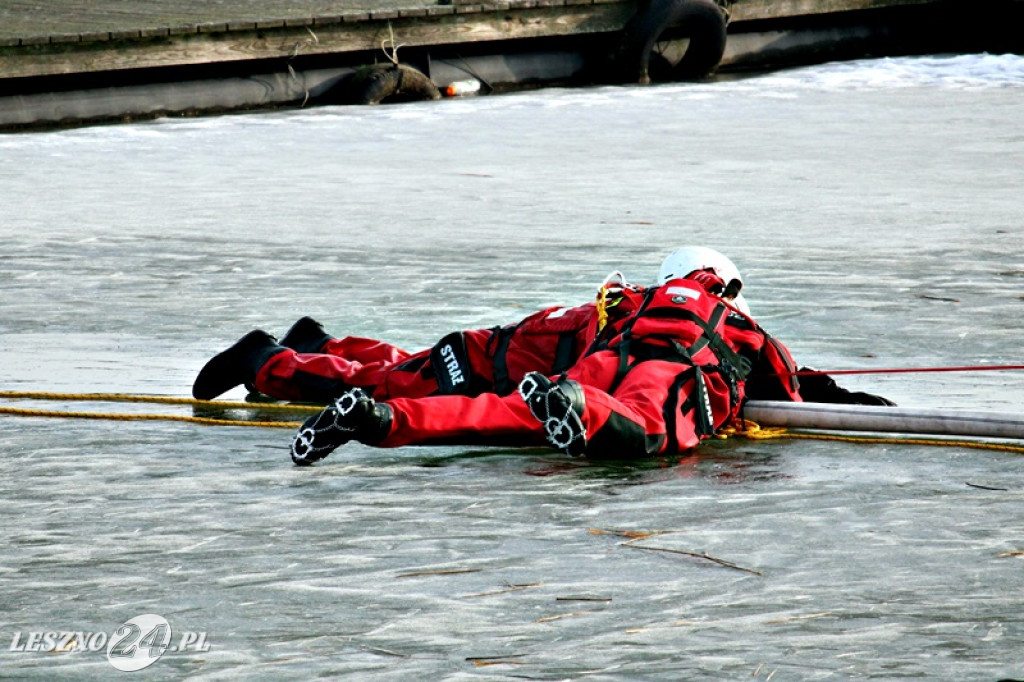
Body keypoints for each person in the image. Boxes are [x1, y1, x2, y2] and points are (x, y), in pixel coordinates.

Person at [285, 252, 893, 466]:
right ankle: (575, 409)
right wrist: (853, 402)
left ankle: (378, 421)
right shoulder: (738, 323)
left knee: (493, 411)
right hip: (647, 379)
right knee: (649, 428)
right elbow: (790, 389)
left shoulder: (626, 300)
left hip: (577, 364)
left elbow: (591, 335)